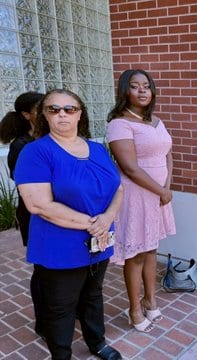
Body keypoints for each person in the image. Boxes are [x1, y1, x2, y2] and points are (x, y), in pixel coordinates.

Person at [14, 89, 124, 360]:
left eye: (69, 109)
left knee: (93, 295)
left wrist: (108, 218)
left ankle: (97, 342)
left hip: (100, 240)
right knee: (60, 307)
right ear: (44, 115)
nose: (62, 113)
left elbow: (118, 188)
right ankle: (61, 355)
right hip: (59, 245)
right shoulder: (35, 152)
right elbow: (38, 204)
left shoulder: (97, 149)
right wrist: (92, 223)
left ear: (80, 114)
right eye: (54, 109)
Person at [107, 69, 176, 333]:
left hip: (159, 193)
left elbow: (168, 154)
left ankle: (151, 300)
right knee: (135, 254)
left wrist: (166, 188)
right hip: (136, 194)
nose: (142, 91)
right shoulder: (119, 124)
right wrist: (161, 191)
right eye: (135, 86)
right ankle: (134, 309)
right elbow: (131, 168)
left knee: (151, 248)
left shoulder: (156, 121)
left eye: (146, 86)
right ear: (125, 91)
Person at [0, 91, 45, 339]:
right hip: (33, 214)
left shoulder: (47, 138)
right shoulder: (21, 145)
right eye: (42, 108)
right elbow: (25, 184)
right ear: (26, 115)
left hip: (53, 213)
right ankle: (43, 321)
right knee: (42, 269)